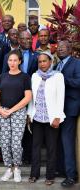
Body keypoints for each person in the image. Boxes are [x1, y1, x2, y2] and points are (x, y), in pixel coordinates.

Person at [27, 52, 65, 185]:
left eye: (44, 61)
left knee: (51, 148)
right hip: (37, 117)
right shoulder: (35, 76)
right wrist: (29, 114)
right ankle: (34, 174)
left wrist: (57, 117)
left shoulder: (58, 76)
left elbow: (61, 98)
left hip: (51, 118)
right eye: (40, 62)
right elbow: (32, 98)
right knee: (35, 147)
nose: (42, 64)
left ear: (50, 62)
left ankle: (50, 176)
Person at [0, 49, 32, 183]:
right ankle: (9, 168)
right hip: (3, 111)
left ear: (20, 61)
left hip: (18, 112)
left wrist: (11, 110)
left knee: (16, 143)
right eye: (10, 60)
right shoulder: (2, 76)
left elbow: (28, 97)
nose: (12, 63)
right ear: (7, 61)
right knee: (4, 142)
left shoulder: (25, 77)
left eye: (15, 60)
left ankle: (17, 168)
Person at [55, 40, 80, 188]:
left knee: (67, 141)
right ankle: (62, 169)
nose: (60, 50)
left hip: (70, 107)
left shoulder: (76, 63)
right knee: (59, 140)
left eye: (63, 48)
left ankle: (71, 175)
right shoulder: (56, 65)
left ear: (70, 49)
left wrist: (62, 79)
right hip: (58, 108)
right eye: (58, 48)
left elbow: (78, 82)